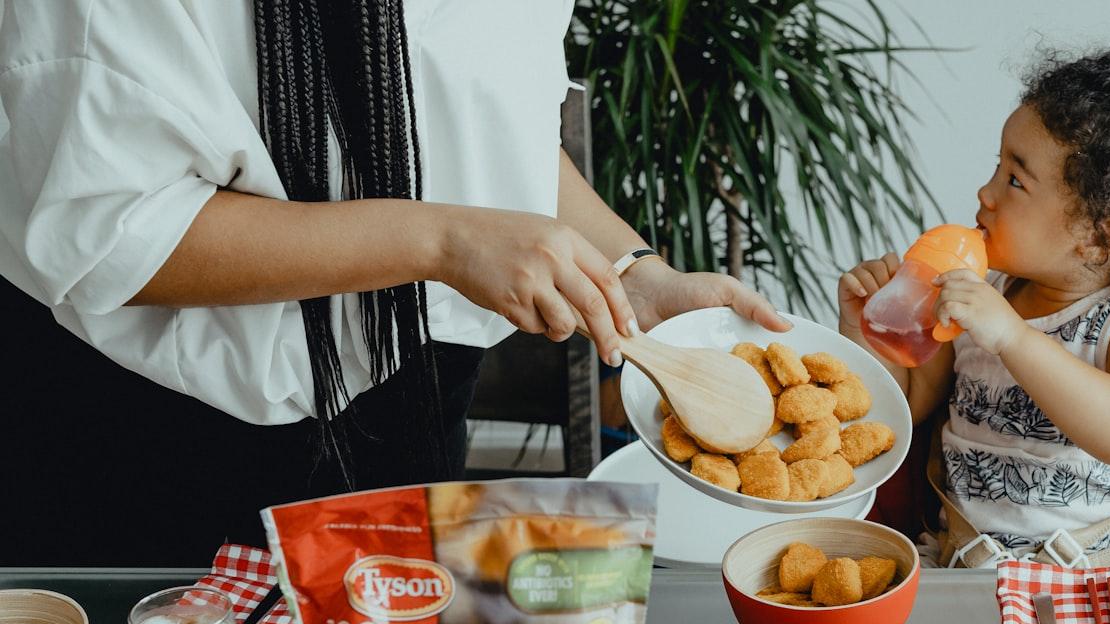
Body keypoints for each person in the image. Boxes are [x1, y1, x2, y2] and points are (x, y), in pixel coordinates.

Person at [0, 0, 787, 566]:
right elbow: (116, 234)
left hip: (408, 394)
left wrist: (634, 272)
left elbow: (485, 119)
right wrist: (440, 240)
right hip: (148, 437)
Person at [839, 50, 1110, 568]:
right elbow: (908, 404)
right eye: (996, 168)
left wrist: (1011, 337)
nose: (985, 193)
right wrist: (865, 328)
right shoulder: (982, 294)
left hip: (1092, 575)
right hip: (961, 557)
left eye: (1015, 181)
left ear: (1098, 236)